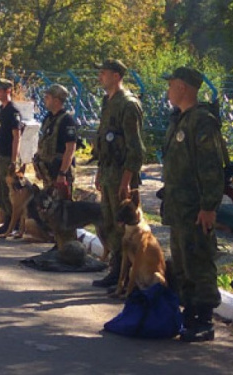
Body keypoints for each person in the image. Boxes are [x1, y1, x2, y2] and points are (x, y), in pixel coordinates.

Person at [162, 67, 224, 342]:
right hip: (179, 207)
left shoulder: (201, 121)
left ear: (183, 88)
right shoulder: (180, 119)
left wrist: (209, 206)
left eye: (171, 85)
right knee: (182, 261)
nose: (168, 90)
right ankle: (188, 312)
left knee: (199, 259)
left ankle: (204, 319)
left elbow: (211, 168)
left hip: (196, 208)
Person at [91, 59, 144, 289]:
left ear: (116, 76)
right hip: (108, 173)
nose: (100, 77)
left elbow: (135, 148)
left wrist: (126, 181)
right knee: (110, 223)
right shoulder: (108, 101)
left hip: (121, 176)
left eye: (103, 73)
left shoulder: (128, 104)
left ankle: (126, 275)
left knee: (124, 227)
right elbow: (105, 142)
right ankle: (117, 270)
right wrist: (99, 172)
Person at [0, 78, 22, 235]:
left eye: (0, 90)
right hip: (1, 155)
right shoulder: (1, 110)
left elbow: (16, 136)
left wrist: (14, 160)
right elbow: (0, 135)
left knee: (9, 191)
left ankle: (13, 222)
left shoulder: (13, 111)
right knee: (1, 190)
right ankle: (7, 220)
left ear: (8, 91)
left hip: (9, 157)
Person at [34, 84, 77, 198]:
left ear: (57, 101)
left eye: (47, 97)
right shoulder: (48, 118)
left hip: (59, 172)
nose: (45, 100)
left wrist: (62, 173)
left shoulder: (67, 120)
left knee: (62, 208)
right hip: (47, 172)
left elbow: (70, 149)